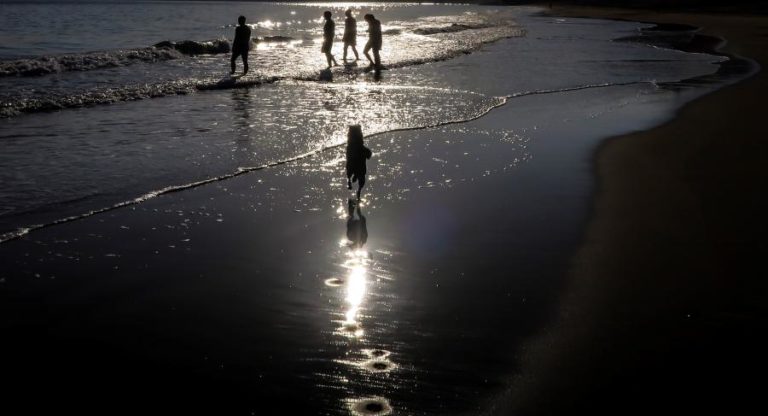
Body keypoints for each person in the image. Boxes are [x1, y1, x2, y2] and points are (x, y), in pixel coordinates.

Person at [345, 125, 372, 200]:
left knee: (351, 172)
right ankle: (353, 181)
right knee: (360, 177)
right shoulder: (360, 147)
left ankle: (353, 180)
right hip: (358, 165)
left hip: (353, 163)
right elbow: (369, 155)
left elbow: (368, 154)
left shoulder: (350, 146)